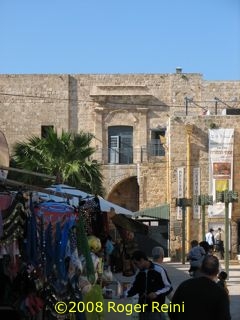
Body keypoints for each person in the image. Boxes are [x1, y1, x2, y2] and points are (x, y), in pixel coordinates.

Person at [168, 255, 231, 320]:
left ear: (200, 268)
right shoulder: (221, 293)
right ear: (217, 272)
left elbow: (172, 311)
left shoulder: (184, 286)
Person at [127, 250, 171, 320]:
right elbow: (135, 288)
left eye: (136, 263)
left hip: (155, 310)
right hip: (143, 310)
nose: (136, 266)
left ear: (142, 260)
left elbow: (168, 287)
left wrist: (156, 293)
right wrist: (124, 294)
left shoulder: (159, 270)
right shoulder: (140, 274)